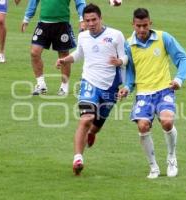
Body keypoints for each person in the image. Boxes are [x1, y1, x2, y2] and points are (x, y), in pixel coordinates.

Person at [118, 8, 186, 179]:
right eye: (138, 26)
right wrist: (127, 88)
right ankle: (153, 167)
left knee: (167, 121)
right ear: (133, 25)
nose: (142, 30)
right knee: (142, 126)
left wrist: (179, 79)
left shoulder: (163, 37)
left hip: (164, 89)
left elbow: (183, 57)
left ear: (150, 23)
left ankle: (171, 158)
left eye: (144, 25)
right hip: (143, 94)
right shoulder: (128, 45)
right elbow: (130, 73)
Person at [56, 3, 127, 175]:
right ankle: (78, 158)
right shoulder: (83, 37)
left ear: (101, 18)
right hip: (89, 82)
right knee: (86, 119)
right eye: (87, 20)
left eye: (94, 19)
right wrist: (65, 59)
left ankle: (92, 133)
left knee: (95, 126)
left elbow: (125, 57)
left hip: (110, 86)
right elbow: (79, 54)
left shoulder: (116, 35)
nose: (91, 23)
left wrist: (120, 63)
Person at [21, 0, 86, 96]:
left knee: (64, 55)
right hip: (43, 23)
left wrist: (82, 19)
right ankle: (41, 84)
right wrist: (27, 18)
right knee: (34, 52)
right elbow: (33, 1)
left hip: (62, 23)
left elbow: (80, 2)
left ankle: (64, 86)